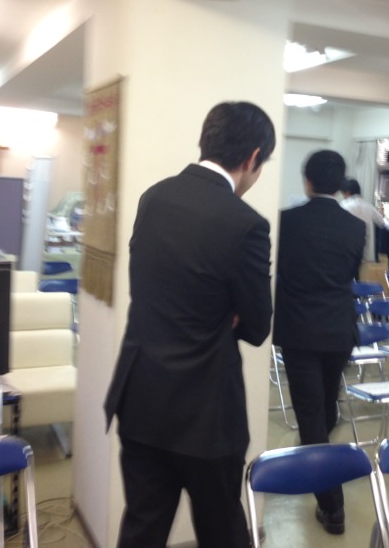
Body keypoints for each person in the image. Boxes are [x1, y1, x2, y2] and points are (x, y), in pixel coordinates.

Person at [104, 101, 276, 548]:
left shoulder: (154, 198)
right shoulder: (246, 224)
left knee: (142, 527)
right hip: (207, 413)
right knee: (221, 530)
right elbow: (257, 326)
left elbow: (154, 291)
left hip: (141, 398)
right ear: (253, 157)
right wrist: (225, 313)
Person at [273, 150, 365, 536]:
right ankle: (316, 451)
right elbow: (349, 275)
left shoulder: (286, 222)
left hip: (300, 333)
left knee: (312, 415)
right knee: (326, 407)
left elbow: (280, 271)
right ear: (340, 184)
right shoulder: (356, 227)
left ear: (307, 182)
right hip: (339, 331)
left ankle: (332, 506)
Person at [340, 178, 385, 263]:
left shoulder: (343, 205)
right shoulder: (368, 206)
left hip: (347, 252)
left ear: (347, 192)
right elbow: (381, 223)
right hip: (366, 253)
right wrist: (381, 214)